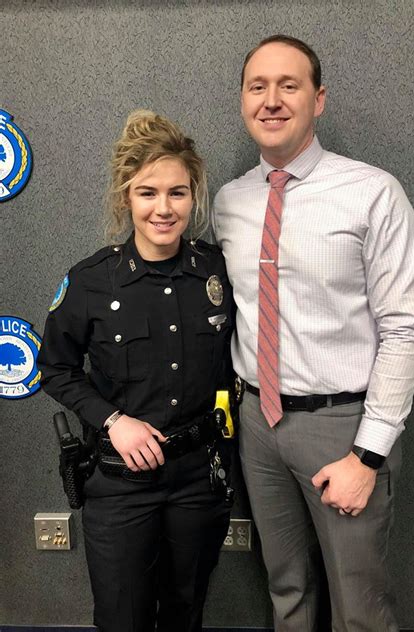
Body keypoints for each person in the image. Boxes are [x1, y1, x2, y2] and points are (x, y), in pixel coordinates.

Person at [213, 35, 414, 631]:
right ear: (242, 100)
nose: (272, 100)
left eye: (289, 85)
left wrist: (367, 454)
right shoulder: (229, 202)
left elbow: (406, 331)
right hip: (257, 423)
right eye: (258, 87)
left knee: (359, 605)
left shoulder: (372, 192)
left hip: (343, 426)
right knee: (286, 589)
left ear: (319, 99)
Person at [38, 110, 234, 632]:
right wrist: (112, 420)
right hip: (121, 484)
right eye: (148, 192)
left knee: (186, 614)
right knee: (122, 619)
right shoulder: (91, 281)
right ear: (126, 197)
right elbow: (54, 367)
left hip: (197, 478)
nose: (163, 209)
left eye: (177, 193)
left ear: (193, 196)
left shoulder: (216, 271)